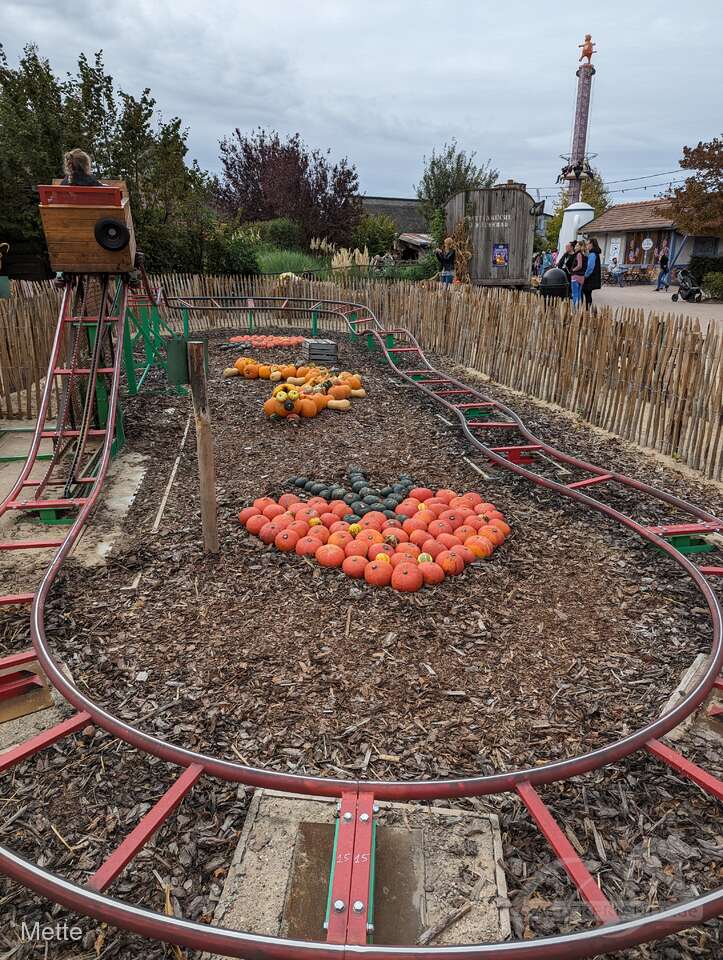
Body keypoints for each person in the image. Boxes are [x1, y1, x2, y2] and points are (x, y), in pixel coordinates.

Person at [583, 238, 602, 308]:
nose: (587, 246)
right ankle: (588, 309)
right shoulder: (594, 253)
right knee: (588, 294)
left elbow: (590, 267)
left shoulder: (592, 254)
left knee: (587, 294)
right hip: (593, 277)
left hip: (590, 278)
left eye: (588, 244)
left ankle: (587, 310)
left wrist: (585, 276)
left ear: (591, 244)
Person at [570, 241, 587, 307]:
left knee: (574, 294)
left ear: (580, 247)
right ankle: (578, 308)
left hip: (575, 276)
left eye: (577, 246)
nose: (575, 247)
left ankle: (574, 309)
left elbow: (579, 265)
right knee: (579, 294)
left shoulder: (578, 254)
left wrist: (573, 270)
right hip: (581, 277)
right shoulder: (585, 255)